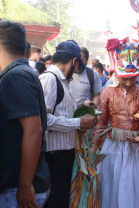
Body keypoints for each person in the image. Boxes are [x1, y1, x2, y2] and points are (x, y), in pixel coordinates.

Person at [91, 40, 139, 208]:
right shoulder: (107, 94)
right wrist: (93, 147)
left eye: (133, 78)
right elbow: (101, 122)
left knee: (138, 187)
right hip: (113, 147)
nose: (128, 83)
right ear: (117, 73)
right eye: (125, 78)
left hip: (138, 148)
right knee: (111, 185)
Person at [39, 41, 97, 208]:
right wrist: (78, 122)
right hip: (53, 158)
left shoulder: (63, 81)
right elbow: (44, 119)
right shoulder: (50, 79)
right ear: (74, 61)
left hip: (64, 155)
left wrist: (78, 125)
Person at [0, 20, 50, 208]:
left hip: (18, 188)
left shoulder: (16, 75)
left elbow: (33, 131)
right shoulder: (19, 72)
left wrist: (25, 184)